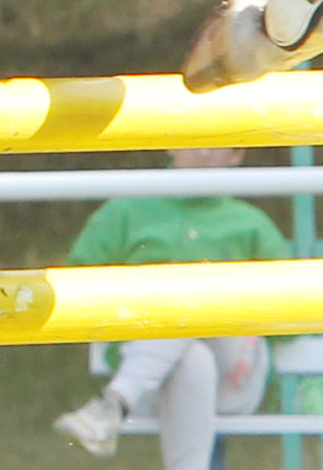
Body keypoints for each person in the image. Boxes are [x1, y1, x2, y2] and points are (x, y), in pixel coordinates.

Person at [53, 146, 291, 468]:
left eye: (216, 143)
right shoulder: (126, 212)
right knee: (194, 360)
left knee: (190, 288)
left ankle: (113, 405)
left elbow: (292, 312)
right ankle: (121, 404)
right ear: (171, 142)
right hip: (154, 383)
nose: (204, 152)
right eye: (193, 140)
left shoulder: (251, 224)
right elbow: (76, 290)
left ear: (235, 155)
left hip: (234, 376)